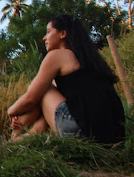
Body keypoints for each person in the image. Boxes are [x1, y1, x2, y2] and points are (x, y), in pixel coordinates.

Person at [7, 14, 125, 144]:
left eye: (48, 32)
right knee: (48, 91)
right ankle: (25, 138)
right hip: (114, 135)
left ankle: (15, 138)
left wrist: (11, 112)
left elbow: (30, 98)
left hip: (83, 133)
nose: (44, 37)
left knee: (43, 90)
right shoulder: (89, 61)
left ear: (62, 34)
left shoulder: (57, 55)